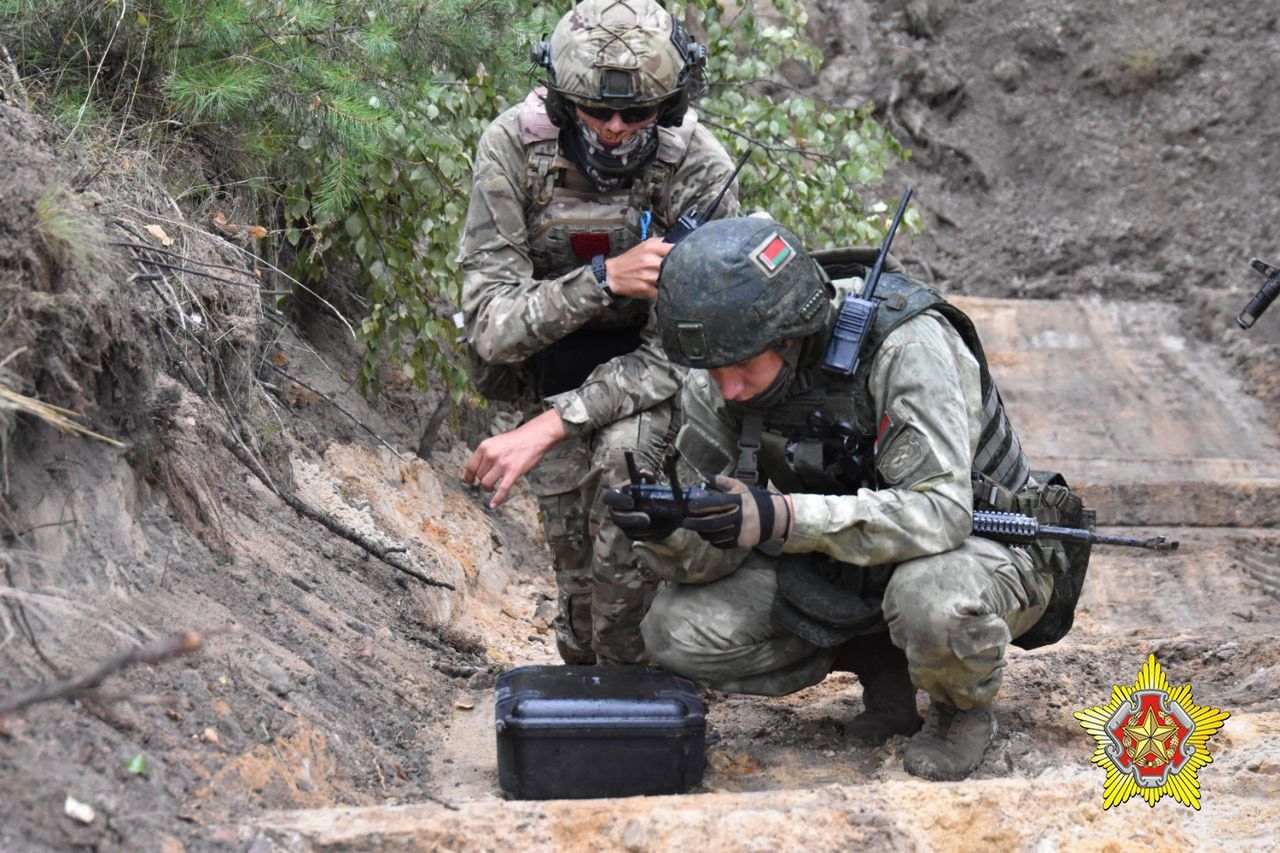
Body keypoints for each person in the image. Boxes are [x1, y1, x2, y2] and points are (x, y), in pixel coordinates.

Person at [607, 215, 1071, 780]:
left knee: (933, 605)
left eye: (740, 368)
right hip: (852, 554)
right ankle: (881, 659)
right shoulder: (726, 363)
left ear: (789, 334)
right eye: (713, 369)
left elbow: (942, 512)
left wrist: (781, 516)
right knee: (676, 630)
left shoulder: (908, 344)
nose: (726, 387)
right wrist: (669, 529)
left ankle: (959, 710)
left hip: (986, 540)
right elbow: (711, 549)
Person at [459, 0, 740, 665]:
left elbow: (694, 346)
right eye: (595, 109)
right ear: (560, 101)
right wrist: (605, 280)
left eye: (637, 113)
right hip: (545, 371)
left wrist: (554, 425)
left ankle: (636, 685)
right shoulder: (513, 148)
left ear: (668, 107)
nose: (615, 129)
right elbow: (492, 328)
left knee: (624, 478)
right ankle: (596, 676)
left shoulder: (697, 168)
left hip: (655, 384)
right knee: (580, 607)